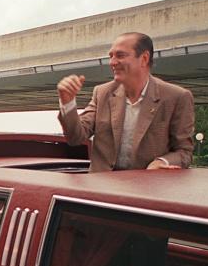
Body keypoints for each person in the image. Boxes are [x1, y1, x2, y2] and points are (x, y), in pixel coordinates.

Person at [57, 32, 195, 173]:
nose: (112, 62)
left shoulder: (177, 97)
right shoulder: (102, 92)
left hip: (145, 189)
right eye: (111, 56)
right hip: (101, 188)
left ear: (144, 58)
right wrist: (67, 103)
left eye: (120, 55)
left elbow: (184, 151)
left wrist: (161, 162)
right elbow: (75, 138)